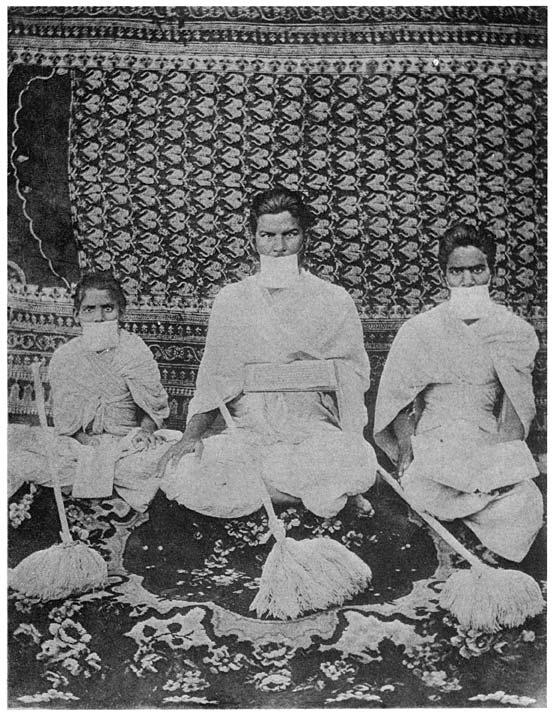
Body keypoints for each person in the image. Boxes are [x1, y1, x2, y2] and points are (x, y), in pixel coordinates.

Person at [158, 186, 377, 519]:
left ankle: (276, 494)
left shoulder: (333, 300)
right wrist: (191, 435)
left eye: (289, 234)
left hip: (311, 431)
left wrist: (350, 441)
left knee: (357, 463)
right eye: (268, 235)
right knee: (183, 472)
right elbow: (215, 379)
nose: (278, 247)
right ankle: (307, 499)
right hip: (250, 433)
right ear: (254, 239)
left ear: (306, 237)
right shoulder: (232, 300)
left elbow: (353, 377)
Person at [374, 223, 543, 562]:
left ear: (492, 272)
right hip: (435, 439)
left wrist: (499, 466)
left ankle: (472, 535)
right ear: (444, 276)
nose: (468, 281)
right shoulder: (420, 330)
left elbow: (513, 415)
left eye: (477, 270)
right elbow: (399, 403)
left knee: (525, 503)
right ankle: (460, 525)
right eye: (458, 272)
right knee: (425, 483)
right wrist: (408, 449)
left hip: (486, 439)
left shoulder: (513, 331)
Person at [8, 271, 181, 512]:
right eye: (89, 309)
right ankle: (106, 479)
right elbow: (66, 426)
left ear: (121, 312)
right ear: (76, 315)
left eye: (107, 308)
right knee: (17, 451)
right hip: (80, 446)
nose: (99, 318)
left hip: (128, 446)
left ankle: (96, 480)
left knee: (168, 456)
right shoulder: (65, 357)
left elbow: (153, 408)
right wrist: (91, 448)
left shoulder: (134, 350)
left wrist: (145, 431)